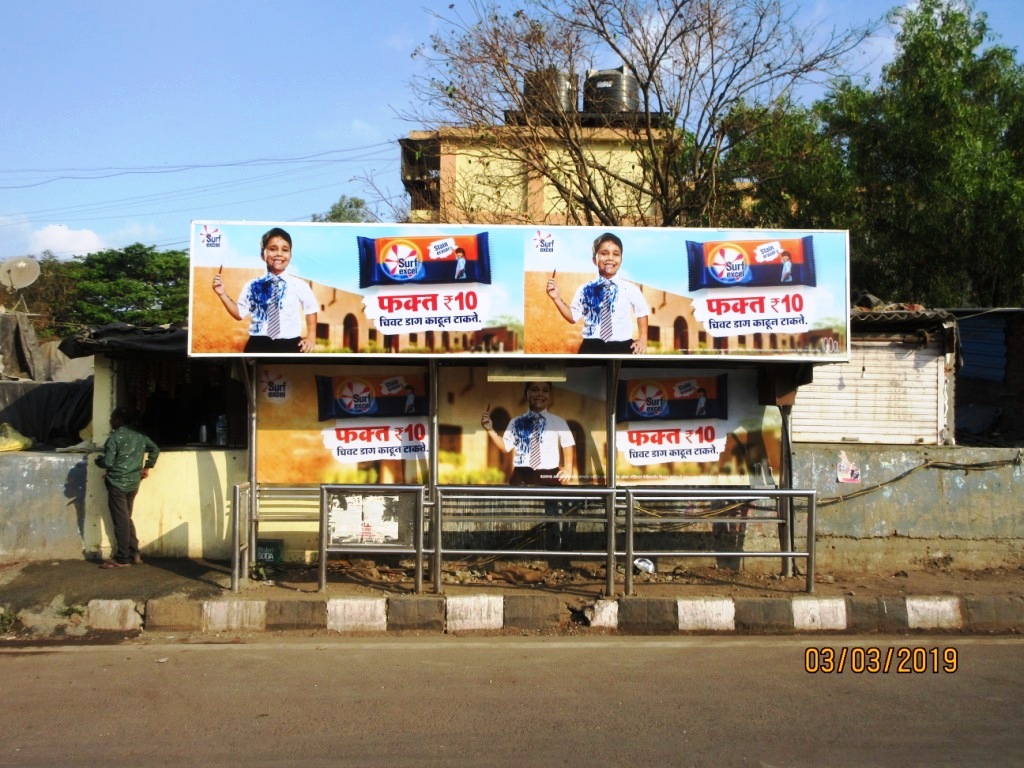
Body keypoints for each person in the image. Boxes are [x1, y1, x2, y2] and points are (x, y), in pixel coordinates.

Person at [212, 227, 318, 353]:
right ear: (263, 255)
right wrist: (222, 294)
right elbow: (239, 314)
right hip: (258, 344)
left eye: (285, 250)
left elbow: (311, 309)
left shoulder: (299, 285)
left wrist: (311, 337)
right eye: (273, 249)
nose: (279, 254)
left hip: (289, 344)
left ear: (290, 255)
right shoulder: (252, 285)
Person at [547, 232, 650, 354]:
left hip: (622, 347)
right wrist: (556, 298)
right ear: (594, 260)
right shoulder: (585, 289)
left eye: (616, 254)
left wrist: (643, 338)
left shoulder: (630, 289)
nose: (610, 258)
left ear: (621, 260)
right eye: (604, 253)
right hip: (591, 347)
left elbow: (642, 312)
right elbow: (573, 317)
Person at [95, 407, 159, 568]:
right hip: (133, 483)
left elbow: (108, 462)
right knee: (125, 518)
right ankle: (134, 553)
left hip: (117, 484)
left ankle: (122, 559)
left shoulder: (115, 437)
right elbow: (155, 449)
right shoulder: (140, 436)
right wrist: (147, 467)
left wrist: (98, 461)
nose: (110, 421)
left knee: (121, 520)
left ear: (119, 420)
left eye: (112, 418)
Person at [480, 382, 576, 487]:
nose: (540, 394)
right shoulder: (516, 422)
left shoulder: (558, 422)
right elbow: (505, 447)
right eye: (535, 390)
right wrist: (490, 429)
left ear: (550, 395)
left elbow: (568, 443)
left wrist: (568, 468)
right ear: (527, 394)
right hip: (521, 476)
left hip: (549, 476)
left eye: (545, 391)